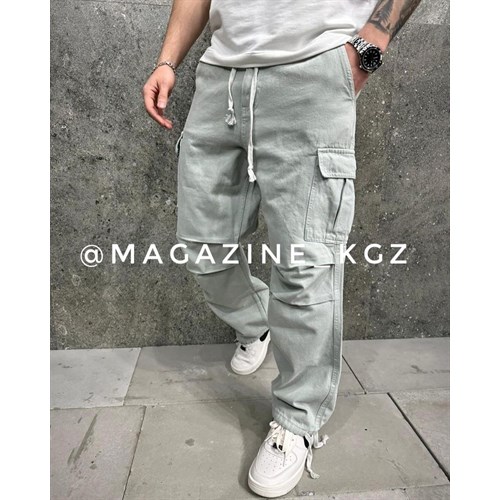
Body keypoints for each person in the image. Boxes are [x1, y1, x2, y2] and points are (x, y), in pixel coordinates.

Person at [143, 0, 422, 497]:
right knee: (202, 245)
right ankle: (258, 323)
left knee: (304, 265)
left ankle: (296, 420)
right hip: (220, 79)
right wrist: (168, 60)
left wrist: (368, 48)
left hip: (313, 73)